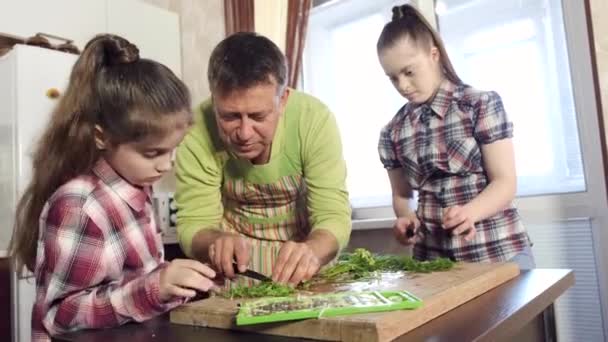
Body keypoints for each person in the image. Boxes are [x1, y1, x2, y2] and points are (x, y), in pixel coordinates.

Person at [8, 34, 217, 342]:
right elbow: (60, 315)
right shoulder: (79, 205)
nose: (166, 165)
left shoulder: (137, 185)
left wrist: (179, 282)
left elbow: (132, 279)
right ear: (102, 137)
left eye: (173, 149)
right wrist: (154, 288)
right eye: (152, 153)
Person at [175, 32, 351, 286]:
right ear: (214, 100)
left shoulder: (314, 119)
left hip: (309, 271)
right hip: (237, 277)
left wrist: (313, 249)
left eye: (258, 117)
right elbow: (193, 223)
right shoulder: (195, 131)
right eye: (230, 117)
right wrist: (215, 242)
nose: (244, 134)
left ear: (283, 100)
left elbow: (333, 215)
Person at [376, 4, 534, 269]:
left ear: (434, 55)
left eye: (409, 72)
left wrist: (470, 213)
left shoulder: (479, 104)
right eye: (393, 78)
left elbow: (505, 182)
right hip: (435, 265)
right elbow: (402, 196)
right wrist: (406, 219)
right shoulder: (391, 132)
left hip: (499, 254)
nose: (402, 85)